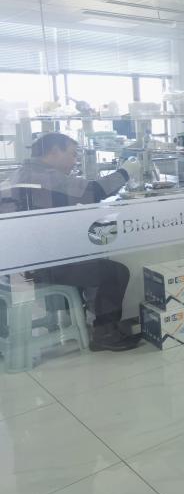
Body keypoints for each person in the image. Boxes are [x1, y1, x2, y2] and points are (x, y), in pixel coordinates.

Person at [0, 132, 143, 351]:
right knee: (114, 272)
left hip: (19, 264)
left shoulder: (20, 173)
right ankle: (105, 334)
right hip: (41, 268)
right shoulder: (46, 176)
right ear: (54, 152)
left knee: (89, 260)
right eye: (72, 154)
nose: (75, 160)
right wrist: (126, 171)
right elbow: (94, 191)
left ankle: (87, 321)